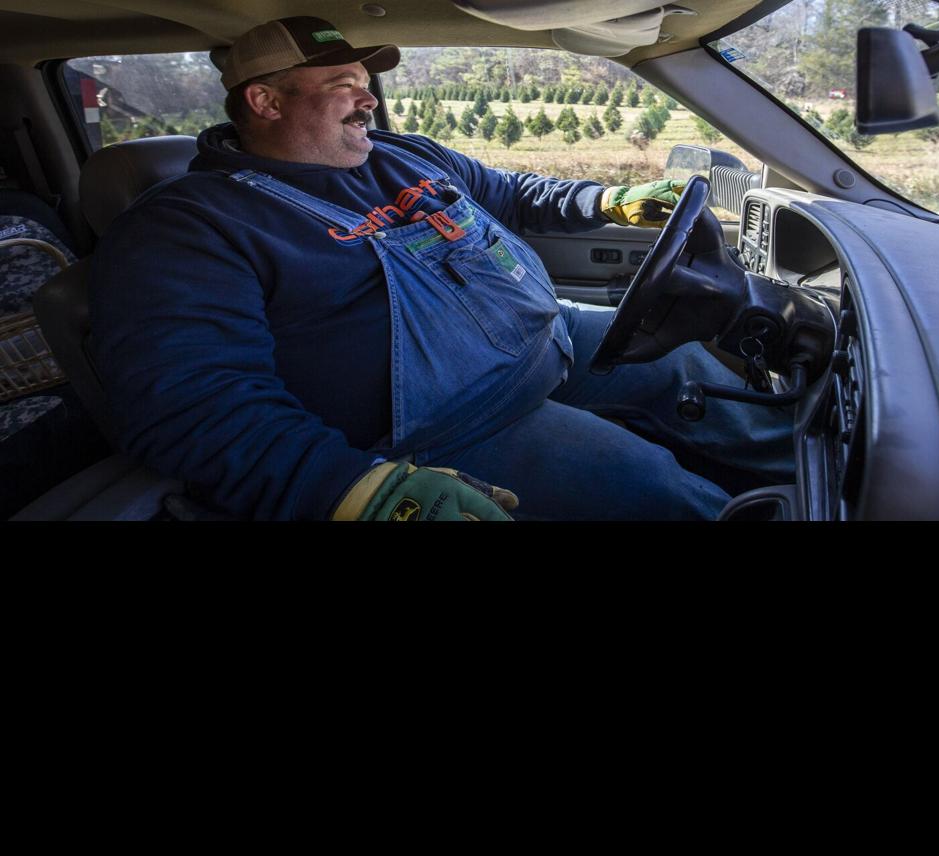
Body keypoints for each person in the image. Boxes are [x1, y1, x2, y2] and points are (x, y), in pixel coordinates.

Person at [89, 17, 793, 521]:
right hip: (452, 425)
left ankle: (819, 473)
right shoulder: (184, 228)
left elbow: (515, 194)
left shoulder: (403, 154)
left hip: (548, 338)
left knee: (691, 370)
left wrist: (616, 199)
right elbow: (192, 404)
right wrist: (350, 489)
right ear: (265, 102)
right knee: (655, 489)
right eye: (342, 83)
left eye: (366, 82)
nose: (367, 98)